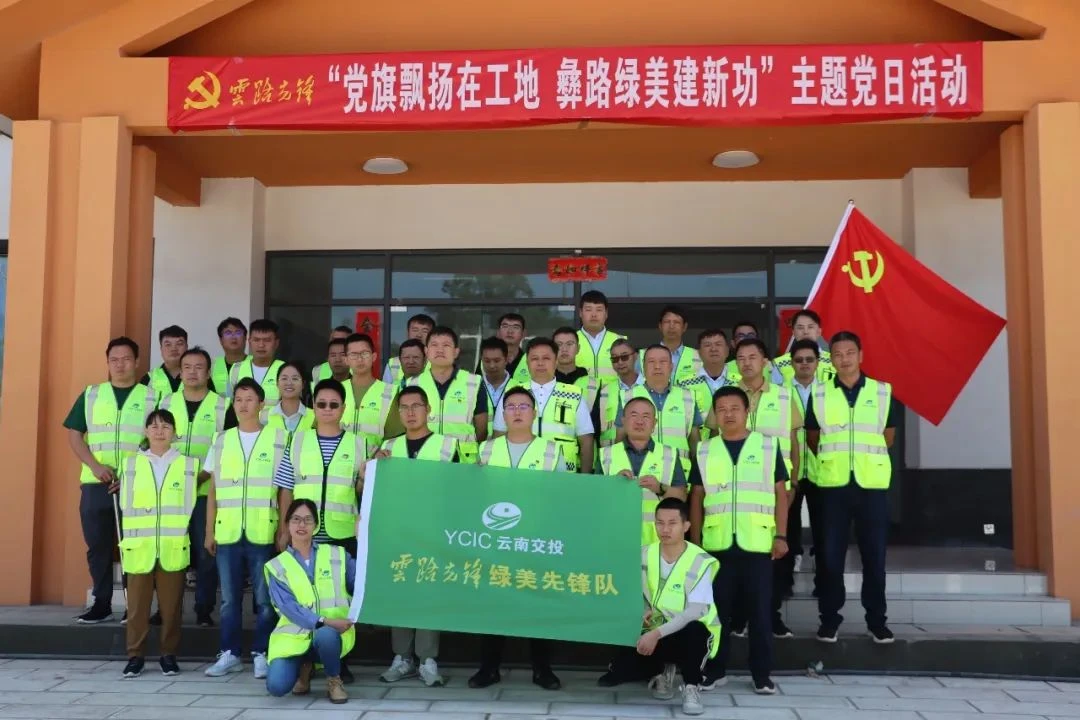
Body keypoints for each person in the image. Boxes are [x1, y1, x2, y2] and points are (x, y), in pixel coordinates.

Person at [691, 386, 789, 695]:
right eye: (721, 409)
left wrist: (781, 535)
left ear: (747, 411)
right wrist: (695, 542)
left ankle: (761, 674)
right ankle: (715, 670)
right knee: (716, 613)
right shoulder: (705, 450)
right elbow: (697, 497)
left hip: (758, 543)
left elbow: (781, 494)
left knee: (760, 613)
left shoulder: (767, 446)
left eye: (734, 408)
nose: (728, 414)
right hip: (716, 545)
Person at [804, 331, 897, 645]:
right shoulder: (819, 393)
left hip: (871, 486)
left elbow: (888, 436)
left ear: (861, 355)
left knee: (875, 558)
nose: (844, 359)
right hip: (833, 486)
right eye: (838, 354)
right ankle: (829, 620)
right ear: (831, 359)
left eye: (849, 353)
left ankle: (877, 621)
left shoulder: (882, 391)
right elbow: (813, 437)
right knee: (831, 558)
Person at [470, 388, 564, 690]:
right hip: (495, 541)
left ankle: (542, 669)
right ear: (503, 414)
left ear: (534, 413)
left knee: (538, 605)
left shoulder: (551, 451)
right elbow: (475, 494)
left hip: (535, 540)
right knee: (493, 605)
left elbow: (562, 496)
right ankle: (489, 668)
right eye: (511, 407)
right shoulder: (486, 449)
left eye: (524, 406)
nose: (518, 411)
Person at [64, 336, 158, 624]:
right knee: (98, 546)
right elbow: (75, 435)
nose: (120, 365)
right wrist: (96, 467)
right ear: (107, 362)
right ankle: (102, 603)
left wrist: (130, 475)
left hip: (136, 486)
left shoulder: (152, 397)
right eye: (114, 360)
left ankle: (135, 605)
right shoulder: (91, 395)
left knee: (135, 546)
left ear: (137, 362)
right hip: (96, 484)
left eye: (126, 359)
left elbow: (157, 442)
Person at [597, 498, 720, 717]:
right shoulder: (644, 554)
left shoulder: (700, 560)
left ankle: (691, 687)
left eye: (672, 523)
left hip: (690, 634)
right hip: (655, 626)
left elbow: (695, 611)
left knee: (694, 631)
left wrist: (655, 634)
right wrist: (643, 609)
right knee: (623, 667)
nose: (665, 529)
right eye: (660, 523)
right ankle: (662, 671)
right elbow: (632, 591)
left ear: (686, 526)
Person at [374, 386, 459, 687]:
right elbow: (374, 490)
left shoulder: (447, 446)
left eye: (416, 406)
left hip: (433, 532)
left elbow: (459, 491)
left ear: (428, 410)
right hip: (398, 533)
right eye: (404, 407)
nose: (410, 413)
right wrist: (374, 464)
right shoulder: (388, 447)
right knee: (400, 593)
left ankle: (427, 659)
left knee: (427, 595)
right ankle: (402, 657)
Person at [203, 378, 286, 679]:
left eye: (249, 399)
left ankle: (262, 653)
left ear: (262, 404)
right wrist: (209, 531)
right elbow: (213, 489)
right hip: (227, 531)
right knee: (229, 600)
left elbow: (284, 489)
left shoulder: (278, 438)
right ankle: (230, 653)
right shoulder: (221, 440)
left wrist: (284, 528)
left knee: (265, 600)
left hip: (263, 530)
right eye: (238, 399)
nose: (243, 404)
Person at [117, 410, 198, 679]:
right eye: (153, 426)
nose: (159, 431)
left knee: (171, 607)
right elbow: (126, 505)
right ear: (145, 431)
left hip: (172, 546)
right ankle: (135, 656)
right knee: (137, 608)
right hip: (139, 546)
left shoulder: (188, 465)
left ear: (174, 432)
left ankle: (168, 655)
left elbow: (189, 505)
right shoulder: (130, 464)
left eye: (165, 426)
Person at [159, 347, 229, 627]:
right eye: (187, 367)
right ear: (180, 372)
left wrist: (201, 476)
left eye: (199, 367)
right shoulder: (166, 403)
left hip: (205, 492)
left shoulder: (222, 406)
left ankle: (203, 609)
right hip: (171, 493)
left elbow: (227, 447)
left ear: (209, 372)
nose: (192, 372)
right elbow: (154, 442)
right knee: (170, 550)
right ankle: (166, 609)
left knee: (205, 551)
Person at [264, 499, 355, 705]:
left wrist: (363, 537)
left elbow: (361, 584)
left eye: (307, 520)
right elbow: (289, 608)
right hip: (294, 639)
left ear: (316, 525)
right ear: (287, 524)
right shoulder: (277, 565)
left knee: (326, 635)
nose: (301, 525)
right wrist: (325, 621)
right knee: (276, 687)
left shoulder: (337, 555)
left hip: (331, 636)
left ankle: (334, 681)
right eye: (296, 519)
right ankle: (304, 667)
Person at [274, 379, 366, 559]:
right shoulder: (297, 441)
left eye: (334, 405)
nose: (327, 409)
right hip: (302, 531)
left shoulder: (359, 444)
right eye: (322, 404)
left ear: (343, 408)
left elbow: (359, 491)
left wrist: (363, 479)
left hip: (343, 534)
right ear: (314, 407)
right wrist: (284, 530)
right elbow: (286, 489)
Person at [774, 339, 824, 626]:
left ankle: (823, 584)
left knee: (825, 533)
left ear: (818, 362)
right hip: (790, 473)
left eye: (809, 359)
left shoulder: (828, 392)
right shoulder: (781, 393)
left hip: (821, 473)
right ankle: (784, 586)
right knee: (787, 532)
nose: (804, 364)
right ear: (791, 363)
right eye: (799, 360)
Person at [493, 337, 593, 472]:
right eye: (534, 359)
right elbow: (499, 435)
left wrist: (585, 479)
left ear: (556, 362)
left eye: (546, 358)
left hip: (562, 473)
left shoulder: (574, 395)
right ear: (527, 363)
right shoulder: (512, 394)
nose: (540, 363)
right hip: (519, 472)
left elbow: (586, 441)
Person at [598, 396, 687, 544]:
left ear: (654, 423)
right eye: (634, 415)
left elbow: (682, 496)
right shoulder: (606, 455)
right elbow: (595, 498)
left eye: (646, 416)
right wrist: (613, 485)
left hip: (657, 541)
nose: (640, 421)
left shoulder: (669, 454)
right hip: (616, 537)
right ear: (623, 421)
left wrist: (660, 488)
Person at [615, 344, 701, 475]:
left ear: (671, 367)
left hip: (679, 474)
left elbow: (694, 442)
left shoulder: (688, 397)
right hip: (639, 473)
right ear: (643, 367)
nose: (657, 366)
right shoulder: (627, 396)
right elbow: (620, 440)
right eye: (651, 362)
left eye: (663, 361)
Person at [407, 326, 488, 463]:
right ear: (426, 351)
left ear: (456, 352)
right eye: (434, 345)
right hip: (424, 458)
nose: (440, 350)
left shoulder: (473, 383)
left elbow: (481, 429)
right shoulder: (413, 384)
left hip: (462, 461)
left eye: (446, 345)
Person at [342, 333, 401, 452]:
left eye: (365, 353)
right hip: (339, 461)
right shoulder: (335, 390)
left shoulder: (390, 392)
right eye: (354, 354)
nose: (360, 359)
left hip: (374, 461)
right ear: (346, 360)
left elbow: (395, 438)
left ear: (374, 357)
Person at [680, 329, 731, 441]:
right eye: (707, 345)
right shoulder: (684, 384)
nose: (713, 349)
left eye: (718, 344)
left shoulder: (739, 383)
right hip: (696, 447)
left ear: (727, 351)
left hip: (732, 446)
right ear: (699, 353)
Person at [596, 338, 643, 448]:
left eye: (624, 357)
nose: (620, 362)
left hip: (646, 454)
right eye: (615, 359)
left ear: (635, 356)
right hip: (611, 454)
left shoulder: (650, 387)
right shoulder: (604, 392)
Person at [228, 319, 286, 404]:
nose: (261, 345)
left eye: (267, 340)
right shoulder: (236, 369)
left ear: (276, 343)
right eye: (256, 340)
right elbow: (230, 403)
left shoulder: (286, 370)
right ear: (249, 342)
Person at [575, 290, 626, 386]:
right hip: (579, 394)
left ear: (606, 313)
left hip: (612, 395)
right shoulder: (570, 342)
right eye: (588, 310)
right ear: (580, 313)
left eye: (599, 310)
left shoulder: (621, 341)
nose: (594, 315)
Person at [643, 306, 702, 385]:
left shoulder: (698, 357)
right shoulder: (642, 355)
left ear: (684, 327)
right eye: (667, 322)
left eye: (676, 322)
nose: (671, 326)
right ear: (660, 326)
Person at [772, 310, 835, 383]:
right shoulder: (780, 363)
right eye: (800, 328)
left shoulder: (833, 361)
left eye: (810, 327)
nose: (805, 332)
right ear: (793, 332)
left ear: (819, 332)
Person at [261, 362, 315, 442]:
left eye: (295, 379)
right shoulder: (262, 417)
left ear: (303, 384)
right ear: (277, 383)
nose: (289, 383)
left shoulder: (315, 417)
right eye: (284, 378)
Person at [476, 313, 530, 385]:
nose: (510, 331)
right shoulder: (486, 361)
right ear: (498, 332)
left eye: (516, 327)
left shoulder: (531, 361)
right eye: (505, 326)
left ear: (523, 334)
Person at [383, 313, 435, 385]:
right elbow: (386, 390)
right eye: (415, 330)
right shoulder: (393, 363)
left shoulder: (438, 362)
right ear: (407, 333)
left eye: (424, 331)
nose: (419, 335)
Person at [479, 336, 513, 438]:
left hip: (507, 446)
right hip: (478, 446)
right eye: (487, 361)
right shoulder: (473, 387)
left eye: (497, 361)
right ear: (481, 360)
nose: (492, 365)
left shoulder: (519, 388)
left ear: (506, 359)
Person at [141, 325, 188, 396]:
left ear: (186, 347)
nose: (174, 349)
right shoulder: (149, 379)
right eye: (168, 344)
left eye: (179, 344)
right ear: (161, 349)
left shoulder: (197, 376)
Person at [212, 317, 248, 397]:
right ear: (221, 340)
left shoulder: (255, 363)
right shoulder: (212, 365)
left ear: (245, 338)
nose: (233, 337)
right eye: (228, 333)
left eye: (238, 333)